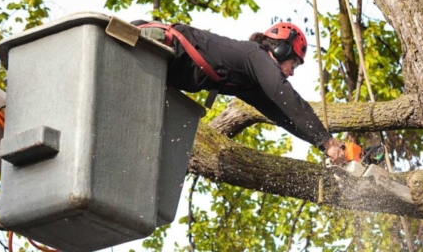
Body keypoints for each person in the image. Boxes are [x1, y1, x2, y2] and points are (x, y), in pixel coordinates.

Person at [131, 19, 345, 163]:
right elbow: (284, 94)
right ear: (281, 49)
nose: (292, 73)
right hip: (154, 44)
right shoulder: (256, 55)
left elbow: (284, 114)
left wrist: (321, 143)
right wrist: (326, 139)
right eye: (294, 64)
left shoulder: (249, 82)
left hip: (159, 68)